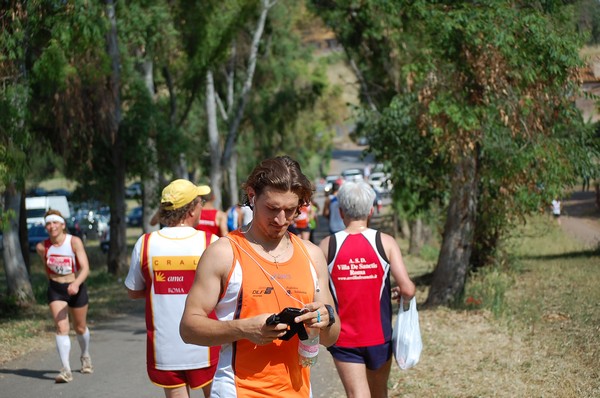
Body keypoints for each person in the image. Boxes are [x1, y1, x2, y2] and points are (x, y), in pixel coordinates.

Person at [180, 156, 341, 397]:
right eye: (273, 208)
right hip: (237, 390)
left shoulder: (312, 255)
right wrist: (243, 329)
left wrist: (324, 319)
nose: (281, 220)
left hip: (298, 391)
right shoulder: (223, 252)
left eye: (290, 210)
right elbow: (188, 328)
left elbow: (332, 336)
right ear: (252, 195)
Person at [318, 180, 416, 398]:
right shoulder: (386, 242)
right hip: (379, 336)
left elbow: (314, 288)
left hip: (344, 338)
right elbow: (408, 289)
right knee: (379, 393)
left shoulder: (327, 245)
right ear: (371, 210)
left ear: (341, 211)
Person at [124, 179, 220, 398]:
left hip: (165, 346)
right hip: (204, 341)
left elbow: (133, 291)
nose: (202, 207)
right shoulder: (210, 242)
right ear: (191, 210)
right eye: (200, 202)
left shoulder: (146, 243)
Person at [35, 209, 93, 383]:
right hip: (56, 289)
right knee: (61, 328)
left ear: (62, 224)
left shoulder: (73, 242)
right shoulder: (41, 247)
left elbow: (85, 268)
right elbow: (47, 268)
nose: (51, 226)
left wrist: (75, 284)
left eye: (54, 223)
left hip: (76, 287)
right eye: (48, 223)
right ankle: (66, 369)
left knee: (80, 327)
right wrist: (55, 283)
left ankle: (85, 355)